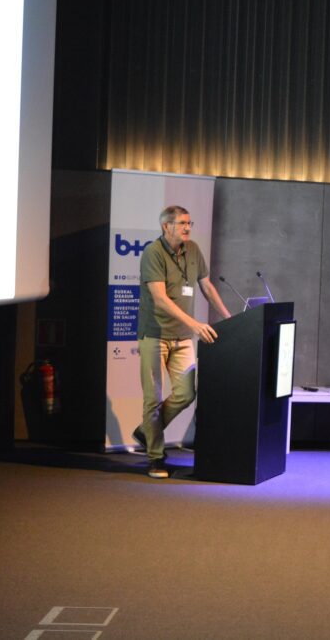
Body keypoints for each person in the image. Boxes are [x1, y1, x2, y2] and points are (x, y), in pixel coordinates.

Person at [136, 205, 231, 478]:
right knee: (153, 400)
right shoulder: (153, 253)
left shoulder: (193, 250)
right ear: (166, 226)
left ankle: (147, 431)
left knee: (187, 393)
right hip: (154, 335)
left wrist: (228, 318)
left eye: (190, 223)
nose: (188, 228)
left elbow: (206, 286)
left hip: (182, 337)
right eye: (182, 223)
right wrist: (195, 324)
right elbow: (160, 299)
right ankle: (156, 457)